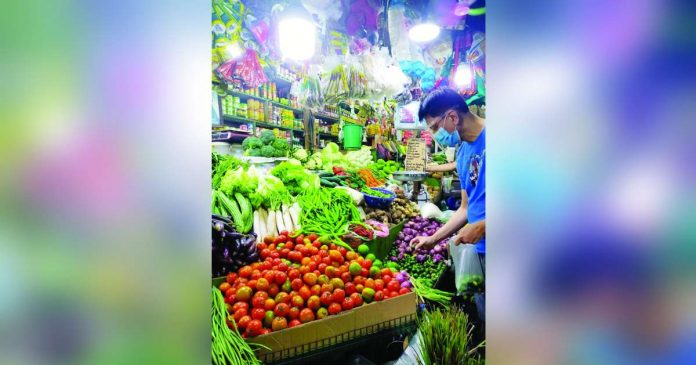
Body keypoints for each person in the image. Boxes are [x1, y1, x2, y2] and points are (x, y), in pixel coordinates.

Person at [410, 87, 486, 270]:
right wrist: (432, 239)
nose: (435, 135)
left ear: (453, 117)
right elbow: (465, 208)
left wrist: (483, 226)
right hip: (479, 252)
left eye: (435, 127)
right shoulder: (462, 154)